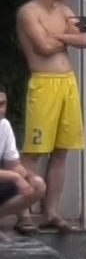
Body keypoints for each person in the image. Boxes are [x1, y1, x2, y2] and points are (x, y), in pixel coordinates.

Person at [16, 0, 86, 232]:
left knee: (62, 151)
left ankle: (52, 212)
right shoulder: (28, 12)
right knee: (35, 150)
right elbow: (43, 47)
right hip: (44, 83)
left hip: (67, 83)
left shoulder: (65, 11)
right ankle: (23, 213)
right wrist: (67, 35)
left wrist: (60, 34)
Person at [0, 89, 47, 234]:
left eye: (2, 104)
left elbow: (13, 163)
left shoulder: (4, 125)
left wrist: (27, 176)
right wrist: (15, 177)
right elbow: (13, 173)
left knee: (37, 185)